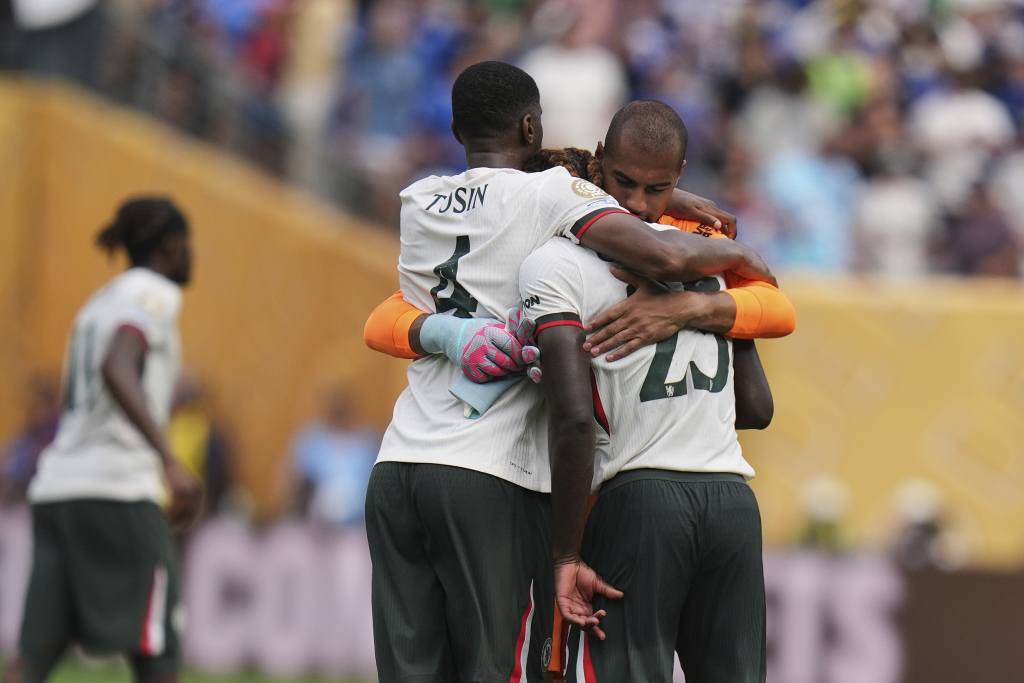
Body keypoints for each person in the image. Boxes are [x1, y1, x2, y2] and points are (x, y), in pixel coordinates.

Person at [363, 61, 776, 683]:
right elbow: (668, 261)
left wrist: (442, 331)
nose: (636, 205)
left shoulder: (418, 201)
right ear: (532, 127)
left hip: (402, 460)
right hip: (499, 469)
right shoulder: (561, 209)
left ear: (454, 129)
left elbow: (382, 321)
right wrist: (736, 257)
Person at [519, 101, 776, 683]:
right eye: (625, 184)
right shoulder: (708, 264)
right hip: (732, 503)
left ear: (679, 178)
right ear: (599, 163)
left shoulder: (564, 258)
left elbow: (573, 418)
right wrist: (706, 312)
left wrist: (564, 551)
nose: (636, 204)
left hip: (639, 499)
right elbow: (757, 408)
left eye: (655, 189)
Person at [1, 197, 202, 683]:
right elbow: (118, 362)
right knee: (159, 654)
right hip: (118, 490)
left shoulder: (97, 303)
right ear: (171, 245)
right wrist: (169, 459)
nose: (193, 254)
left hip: (57, 490)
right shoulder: (154, 292)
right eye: (189, 243)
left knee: (33, 657)